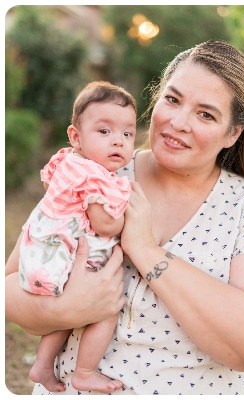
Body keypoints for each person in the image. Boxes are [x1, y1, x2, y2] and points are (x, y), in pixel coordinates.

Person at [5, 40, 244, 395]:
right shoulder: (98, 172)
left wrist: (146, 251)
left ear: (232, 134)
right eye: (172, 100)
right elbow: (9, 288)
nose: (178, 122)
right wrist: (65, 309)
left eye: (205, 114)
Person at [18, 81, 137, 393]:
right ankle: (84, 371)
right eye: (104, 131)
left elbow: (49, 186)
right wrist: (127, 216)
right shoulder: (98, 178)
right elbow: (105, 225)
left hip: (41, 252)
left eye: (127, 134)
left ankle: (43, 365)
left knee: (67, 314)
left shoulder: (68, 161)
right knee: (105, 311)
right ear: (76, 136)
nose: (118, 142)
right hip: (70, 255)